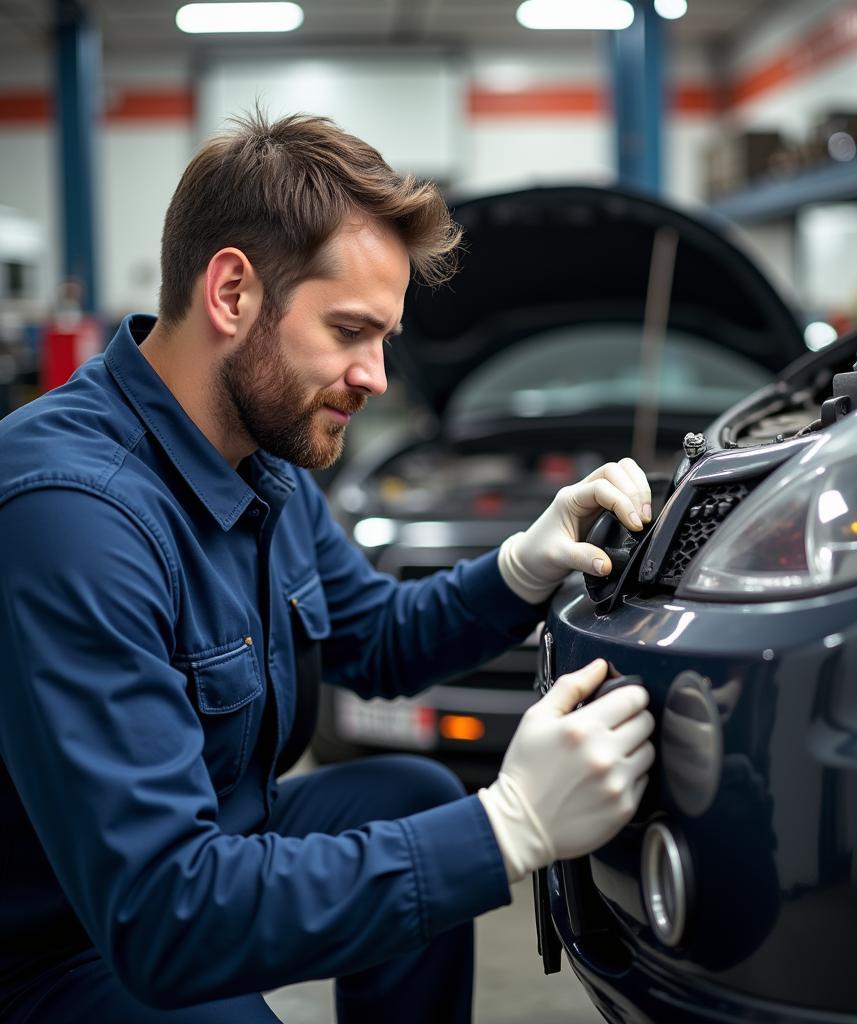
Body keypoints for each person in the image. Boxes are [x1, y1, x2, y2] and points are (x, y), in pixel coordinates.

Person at [0, 111, 656, 1023]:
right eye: (350, 330)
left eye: (384, 338)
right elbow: (163, 914)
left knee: (410, 794)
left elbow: (376, 639)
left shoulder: (261, 458)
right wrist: (507, 826)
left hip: (207, 848)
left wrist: (520, 566)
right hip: (68, 939)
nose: (376, 376)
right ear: (232, 294)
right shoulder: (72, 513)